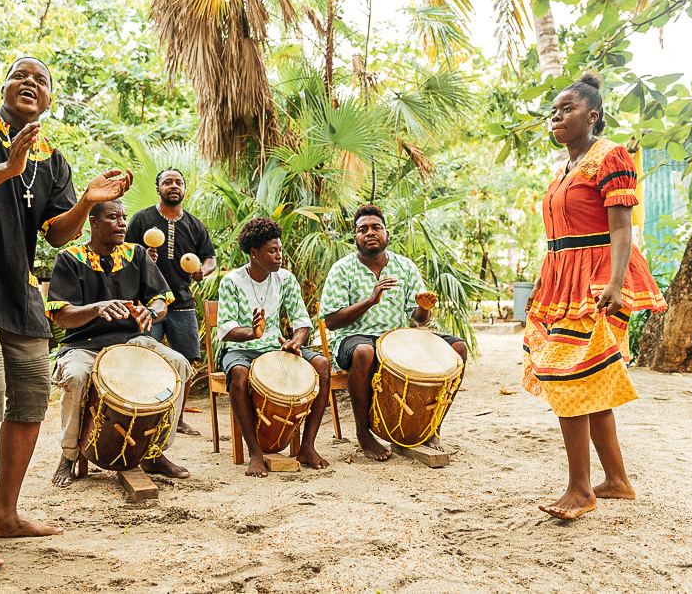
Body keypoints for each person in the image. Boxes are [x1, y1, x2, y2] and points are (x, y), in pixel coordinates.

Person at [0, 57, 133, 570]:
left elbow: (58, 234)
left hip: (16, 288)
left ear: (50, 99)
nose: (30, 83)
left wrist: (84, 202)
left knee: (32, 393)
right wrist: (8, 169)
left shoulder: (52, 159)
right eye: (21, 74)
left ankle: (3, 515)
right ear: (5, 86)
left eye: (42, 79)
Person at [524, 72, 666, 520]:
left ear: (593, 115)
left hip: (599, 278)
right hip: (562, 279)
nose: (557, 117)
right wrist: (542, 285)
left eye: (566, 109)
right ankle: (618, 482)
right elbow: (560, 236)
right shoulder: (565, 167)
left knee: (568, 377)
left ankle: (580, 490)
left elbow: (622, 227)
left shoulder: (611, 156)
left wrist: (616, 283)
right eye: (554, 111)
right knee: (589, 381)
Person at [45, 199, 192, 487]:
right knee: (76, 376)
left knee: (179, 365)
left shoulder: (136, 254)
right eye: (113, 217)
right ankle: (69, 455)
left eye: (124, 217)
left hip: (131, 340)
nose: (122, 223)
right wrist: (95, 308)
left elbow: (161, 300)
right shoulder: (70, 258)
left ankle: (154, 453)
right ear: (94, 223)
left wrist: (150, 312)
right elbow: (62, 317)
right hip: (83, 344)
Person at [320, 205, 468, 462]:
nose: (370, 233)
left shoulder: (405, 266)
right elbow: (332, 321)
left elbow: (419, 319)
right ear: (355, 237)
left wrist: (424, 307)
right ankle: (363, 434)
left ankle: (432, 427)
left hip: (399, 339)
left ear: (387, 234)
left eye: (376, 227)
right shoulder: (342, 269)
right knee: (365, 352)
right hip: (355, 338)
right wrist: (370, 300)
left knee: (457, 349)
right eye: (362, 229)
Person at [216, 218, 332, 477]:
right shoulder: (232, 281)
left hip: (276, 348)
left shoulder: (285, 279)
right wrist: (252, 332)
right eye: (272, 251)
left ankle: (307, 447)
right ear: (254, 254)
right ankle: (255, 453)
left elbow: (302, 323)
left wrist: (295, 342)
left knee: (323, 365)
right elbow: (226, 330)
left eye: (280, 250)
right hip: (240, 349)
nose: (279, 256)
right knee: (238, 375)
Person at [126, 168, 216, 436]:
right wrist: (142, 257)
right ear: (158, 189)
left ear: (184, 190)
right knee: (145, 360)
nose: (173, 185)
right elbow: (124, 252)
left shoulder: (194, 225)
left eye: (178, 182)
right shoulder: (142, 219)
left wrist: (203, 271)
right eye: (168, 182)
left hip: (182, 302)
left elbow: (209, 257)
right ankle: (145, 415)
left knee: (186, 362)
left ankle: (177, 418)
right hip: (148, 304)